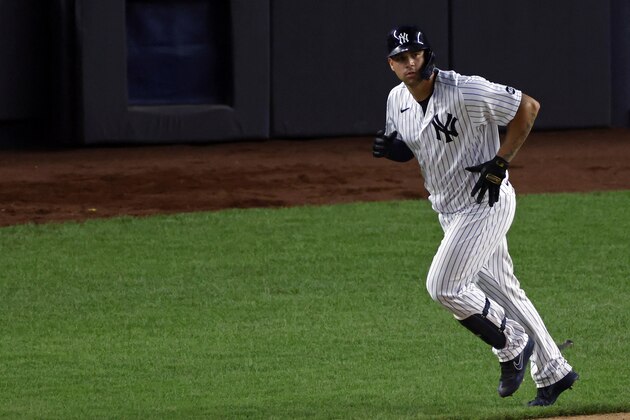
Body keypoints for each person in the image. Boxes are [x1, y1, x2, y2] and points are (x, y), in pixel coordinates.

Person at [373, 25, 578, 406]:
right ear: (391, 64)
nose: (410, 62)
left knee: (444, 286)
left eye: (415, 54)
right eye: (401, 58)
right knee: (506, 293)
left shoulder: (465, 90)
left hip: (486, 203)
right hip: (448, 211)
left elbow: (528, 108)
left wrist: (500, 162)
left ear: (428, 54)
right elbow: (417, 145)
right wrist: (393, 151)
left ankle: (512, 344)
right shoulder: (395, 101)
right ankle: (555, 372)